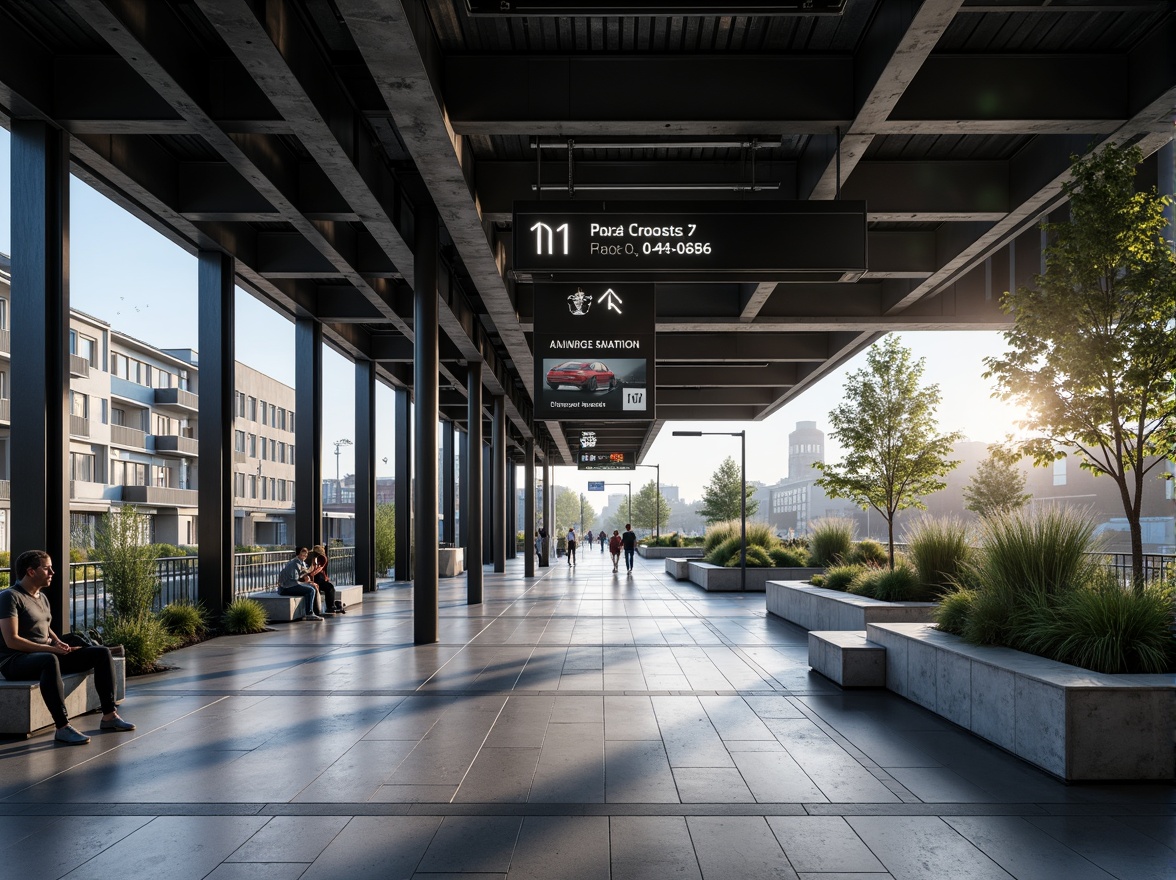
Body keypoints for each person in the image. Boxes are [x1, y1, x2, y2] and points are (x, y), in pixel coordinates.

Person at [0, 550, 135, 745]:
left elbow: (45, 627)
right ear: (30, 571)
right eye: (47, 568)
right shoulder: (9, 597)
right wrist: (52, 650)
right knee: (49, 659)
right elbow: (12, 640)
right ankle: (62, 727)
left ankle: (109, 715)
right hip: (15, 661)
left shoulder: (41, 597)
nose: (52, 572)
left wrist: (57, 642)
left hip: (44, 654)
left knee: (101, 653)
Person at [278, 547, 323, 620]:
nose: (304, 556)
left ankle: (314, 612)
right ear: (298, 554)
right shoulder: (294, 563)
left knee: (312, 587)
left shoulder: (300, 562)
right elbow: (294, 580)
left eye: (306, 554)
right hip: (285, 588)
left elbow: (305, 571)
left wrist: (307, 579)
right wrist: (306, 583)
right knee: (311, 590)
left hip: (291, 585)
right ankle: (309, 613)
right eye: (302, 554)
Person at [309, 544, 342, 614]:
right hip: (317, 578)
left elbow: (319, 568)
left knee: (330, 588)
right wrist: (312, 574)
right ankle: (330, 606)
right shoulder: (323, 558)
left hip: (317, 577)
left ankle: (331, 605)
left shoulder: (316, 557)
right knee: (330, 588)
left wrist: (312, 574)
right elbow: (319, 569)